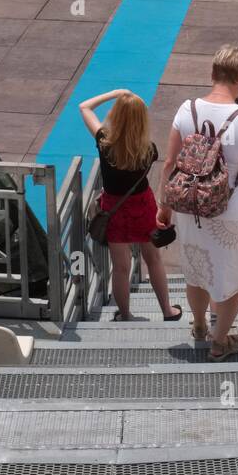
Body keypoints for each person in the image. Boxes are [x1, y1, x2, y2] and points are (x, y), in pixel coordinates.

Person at [155, 45, 238, 361]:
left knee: (196, 272)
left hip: (190, 210)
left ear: (212, 73)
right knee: (236, 278)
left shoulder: (186, 110)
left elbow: (169, 164)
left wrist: (165, 206)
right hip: (231, 214)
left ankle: (200, 325)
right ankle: (219, 343)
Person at [79, 88, 182, 322]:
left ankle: (124, 314)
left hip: (114, 209)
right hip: (143, 205)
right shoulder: (149, 150)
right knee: (153, 259)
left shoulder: (104, 143)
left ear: (116, 116)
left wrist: (115, 93)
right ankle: (167, 310)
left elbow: (84, 107)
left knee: (121, 268)